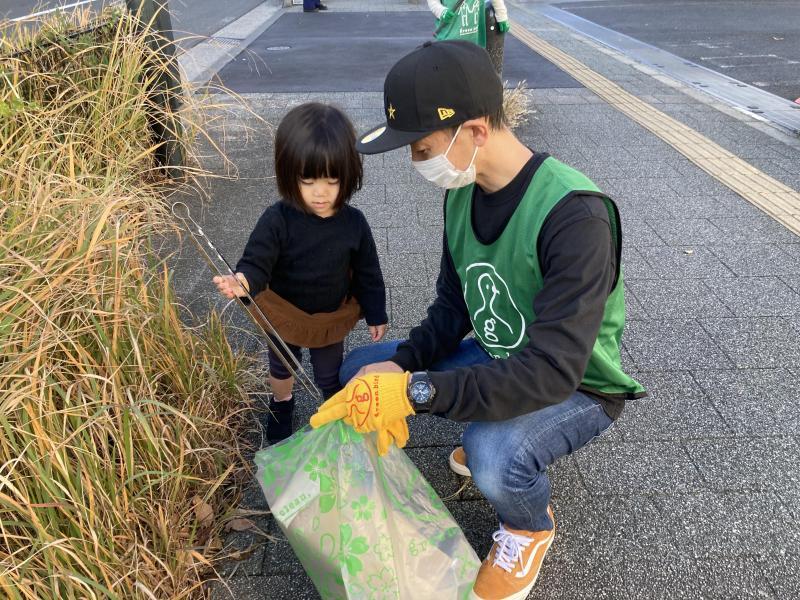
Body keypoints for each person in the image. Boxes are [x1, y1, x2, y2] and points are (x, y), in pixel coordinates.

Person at [309, 42, 645, 600]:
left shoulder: (576, 215)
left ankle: (527, 526)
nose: (419, 164)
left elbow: (551, 373)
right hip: (500, 355)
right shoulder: (463, 194)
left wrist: (415, 392)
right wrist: (399, 364)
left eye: (422, 148)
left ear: (475, 131)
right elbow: (453, 306)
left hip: (577, 384)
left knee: (494, 458)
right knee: (362, 368)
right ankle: (489, 428)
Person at [214, 102, 388, 444]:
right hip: (284, 311)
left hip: (328, 316)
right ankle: (282, 402)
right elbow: (257, 260)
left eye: (331, 181)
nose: (319, 192)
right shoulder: (278, 219)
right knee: (282, 366)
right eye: (307, 181)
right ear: (289, 174)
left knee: (329, 373)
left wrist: (376, 312)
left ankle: (334, 410)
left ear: (349, 175)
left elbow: (369, 271)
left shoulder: (354, 224)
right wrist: (242, 281)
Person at [428, 0, 509, 73]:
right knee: (451, 73)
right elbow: (433, 2)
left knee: (473, 74)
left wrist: (501, 15)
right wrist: (441, 11)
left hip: (475, 39)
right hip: (450, 38)